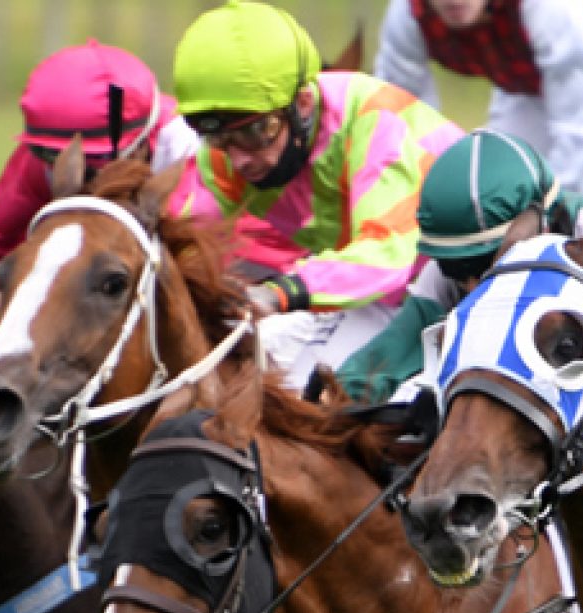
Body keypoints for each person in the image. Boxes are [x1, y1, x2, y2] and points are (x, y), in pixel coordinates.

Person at [173, 1, 463, 385]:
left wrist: (281, 293)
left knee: (316, 394)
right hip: (377, 294)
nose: (241, 159)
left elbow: (384, 258)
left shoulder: (376, 122)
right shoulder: (224, 158)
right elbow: (185, 245)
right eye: (219, 136)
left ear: (303, 104)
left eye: (256, 132)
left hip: (454, 277)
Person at [0, 39, 295, 296]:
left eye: (93, 167)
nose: (70, 172)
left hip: (258, 275)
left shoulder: (196, 157)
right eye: (53, 160)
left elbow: (177, 280)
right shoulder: (46, 153)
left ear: (142, 142)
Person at [334, 129, 583, 404]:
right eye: (454, 269)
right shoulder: (446, 274)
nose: (471, 286)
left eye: (482, 265)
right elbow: (391, 353)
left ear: (539, 225)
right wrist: (336, 395)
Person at [374, 0, 583, 202]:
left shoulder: (548, 7)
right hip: (530, 85)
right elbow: (401, 121)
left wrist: (543, 210)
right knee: (487, 195)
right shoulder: (407, 15)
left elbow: (580, 129)